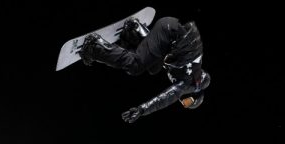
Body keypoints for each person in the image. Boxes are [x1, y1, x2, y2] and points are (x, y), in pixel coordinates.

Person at [79, 16, 211, 123]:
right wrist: (142, 110)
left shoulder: (189, 70)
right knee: (135, 67)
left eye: (184, 104)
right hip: (170, 35)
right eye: (188, 101)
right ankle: (94, 47)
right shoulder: (195, 84)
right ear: (195, 95)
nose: (182, 100)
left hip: (168, 28)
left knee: (154, 68)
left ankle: (135, 30)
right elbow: (167, 97)